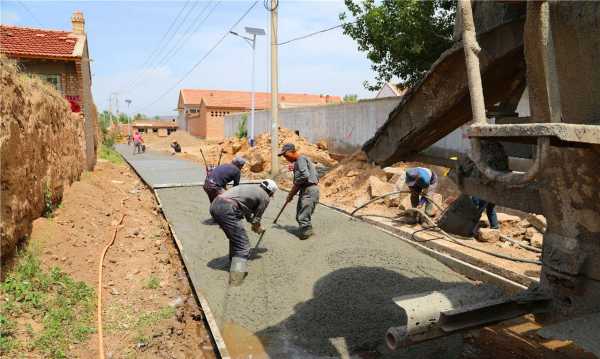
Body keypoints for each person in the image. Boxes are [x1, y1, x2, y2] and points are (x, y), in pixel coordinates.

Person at [209, 179, 278, 285]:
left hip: (215, 205)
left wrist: (255, 225)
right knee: (243, 245)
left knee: (235, 238)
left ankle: (233, 263)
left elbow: (247, 213)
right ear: (271, 192)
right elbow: (256, 219)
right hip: (227, 209)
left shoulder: (252, 189)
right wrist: (257, 228)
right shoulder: (265, 197)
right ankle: (236, 277)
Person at [279, 143, 320, 240]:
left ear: (290, 152)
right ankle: (306, 231)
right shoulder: (299, 161)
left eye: (285, 155)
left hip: (309, 190)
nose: (285, 158)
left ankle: (306, 235)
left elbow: (304, 176)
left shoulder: (300, 159)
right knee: (300, 213)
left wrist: (291, 193)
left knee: (303, 216)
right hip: (305, 189)